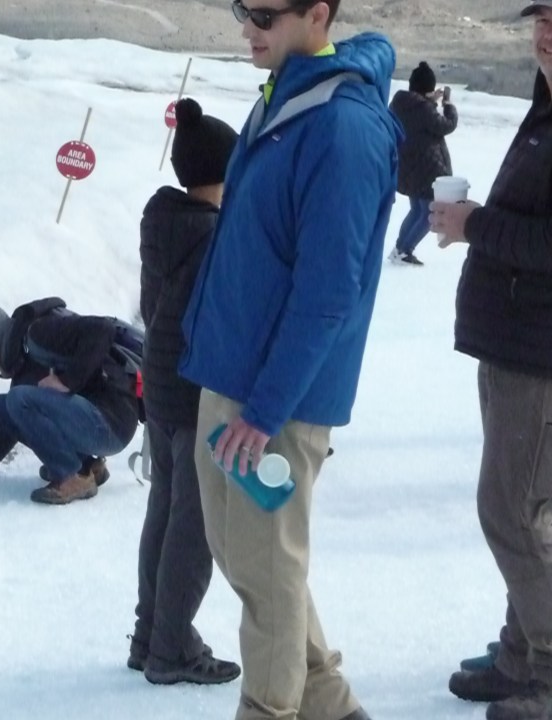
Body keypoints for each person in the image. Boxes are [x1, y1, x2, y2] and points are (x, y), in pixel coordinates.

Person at [179, 1, 400, 718]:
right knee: (254, 563)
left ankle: (269, 709)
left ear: (318, 14)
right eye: (242, 7)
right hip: (235, 376)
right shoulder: (287, 93)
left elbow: (328, 292)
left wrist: (267, 409)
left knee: (268, 581)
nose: (248, 24)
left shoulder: (343, 128)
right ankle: (331, 703)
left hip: (277, 398)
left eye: (266, 13)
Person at [433, 3, 552, 719]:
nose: (545, 35)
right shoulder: (544, 108)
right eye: (542, 20)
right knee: (529, 509)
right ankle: (521, 657)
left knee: (510, 512)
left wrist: (475, 223)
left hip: (539, 352)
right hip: (513, 341)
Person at [129, 97, 241, 686]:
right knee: (193, 525)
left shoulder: (164, 220)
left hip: (162, 384)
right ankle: (171, 647)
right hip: (197, 390)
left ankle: (151, 632)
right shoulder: (213, 238)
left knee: (164, 509)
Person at [0, 298, 140, 511]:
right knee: (0, 407)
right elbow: (4, 434)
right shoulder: (22, 363)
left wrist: (67, 381)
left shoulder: (38, 333)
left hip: (113, 421)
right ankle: (88, 466)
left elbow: (102, 329)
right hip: (95, 422)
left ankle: (73, 477)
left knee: (17, 399)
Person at [387, 60, 458, 267]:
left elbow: (420, 117)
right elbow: (446, 125)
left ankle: (400, 248)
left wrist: (429, 101)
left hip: (408, 169)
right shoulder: (423, 109)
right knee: (428, 213)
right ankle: (404, 249)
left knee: (417, 210)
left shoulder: (400, 104)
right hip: (426, 170)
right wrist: (448, 106)